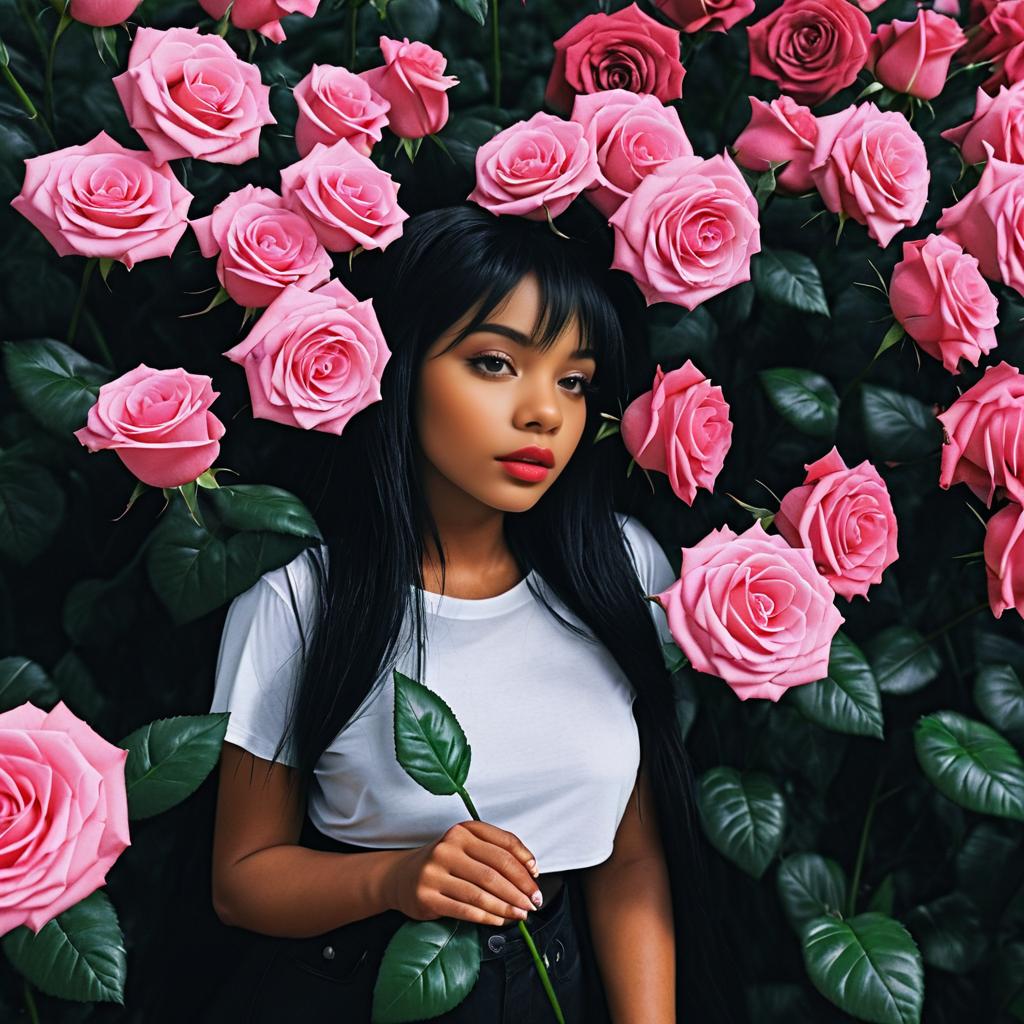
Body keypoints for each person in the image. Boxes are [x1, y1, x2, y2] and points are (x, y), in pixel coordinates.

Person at [202, 202, 746, 1023]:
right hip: (365, 987)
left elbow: (628, 857)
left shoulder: (620, 567)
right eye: (496, 363)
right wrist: (394, 876)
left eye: (575, 381)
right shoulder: (301, 602)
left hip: (560, 984)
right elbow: (241, 879)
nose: (545, 413)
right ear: (403, 363)